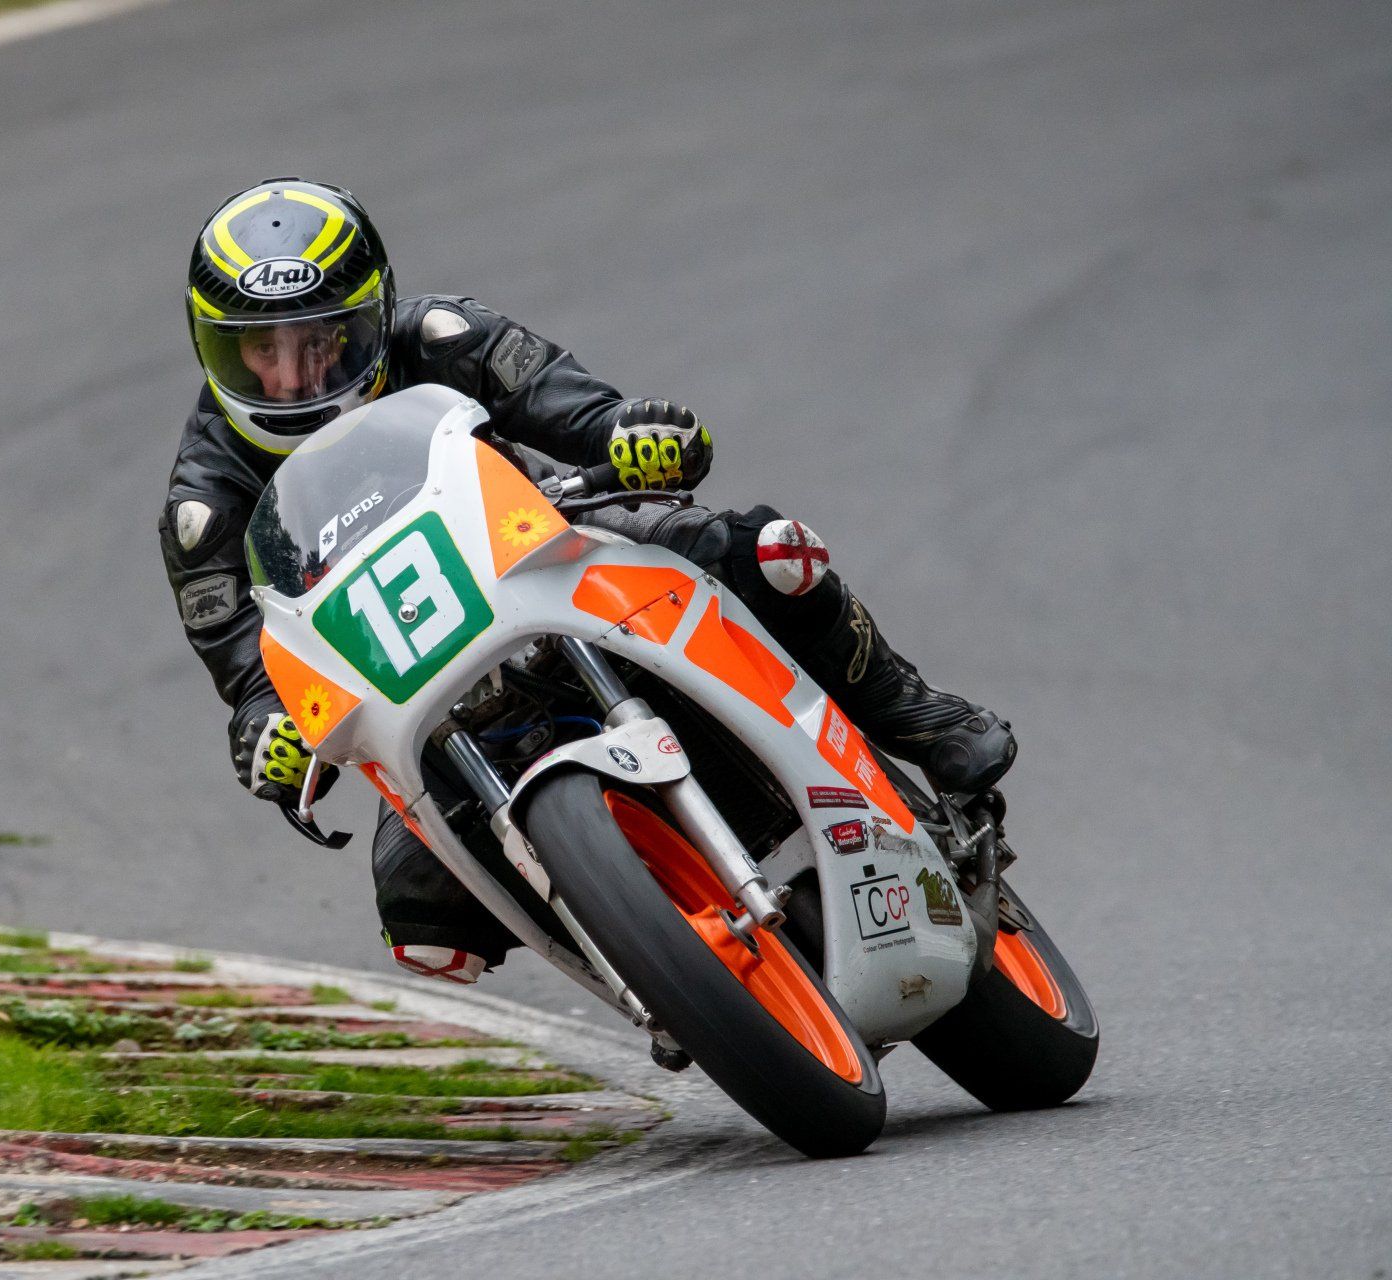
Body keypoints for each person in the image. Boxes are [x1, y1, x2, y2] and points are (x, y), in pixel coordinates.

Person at [160, 178, 1015, 985]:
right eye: (260, 350)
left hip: (544, 551)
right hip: (404, 676)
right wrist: (266, 725)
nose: (293, 377)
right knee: (423, 921)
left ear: (371, 319)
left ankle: (921, 714)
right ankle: (652, 969)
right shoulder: (204, 496)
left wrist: (635, 435)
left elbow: (578, 411)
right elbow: (247, 663)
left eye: (319, 342)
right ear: (215, 348)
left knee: (762, 554)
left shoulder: (442, 337)